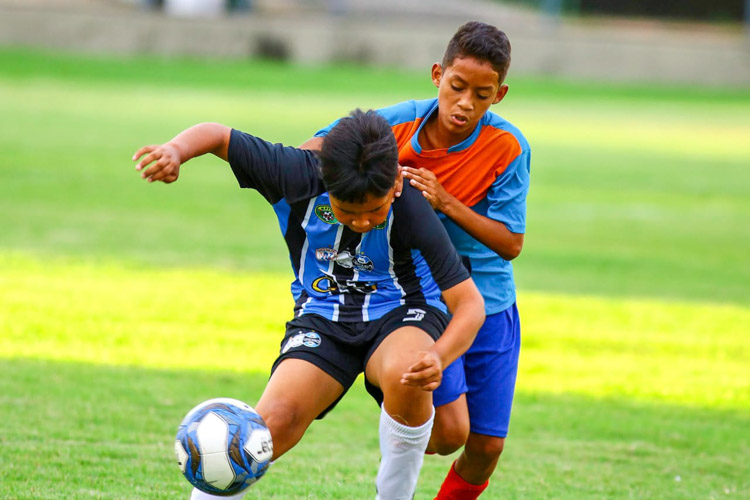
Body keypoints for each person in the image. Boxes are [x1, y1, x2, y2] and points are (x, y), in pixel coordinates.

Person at [132, 109, 485, 500]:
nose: (364, 222)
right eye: (348, 212)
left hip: (401, 310)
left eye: (375, 210)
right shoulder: (295, 173)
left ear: (396, 181)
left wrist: (438, 355)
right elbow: (218, 135)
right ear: (325, 179)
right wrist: (175, 151)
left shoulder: (411, 206)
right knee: (271, 423)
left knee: (407, 372)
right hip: (323, 315)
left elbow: (469, 304)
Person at [303, 22, 530, 499]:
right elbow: (317, 150)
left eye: (482, 95)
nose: (466, 103)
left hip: (489, 301)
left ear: (500, 95)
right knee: (449, 433)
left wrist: (446, 203)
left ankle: (404, 424)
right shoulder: (397, 124)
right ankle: (400, 418)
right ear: (437, 75)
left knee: (485, 445)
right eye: (457, 87)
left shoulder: (508, 147)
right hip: (426, 299)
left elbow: (511, 243)